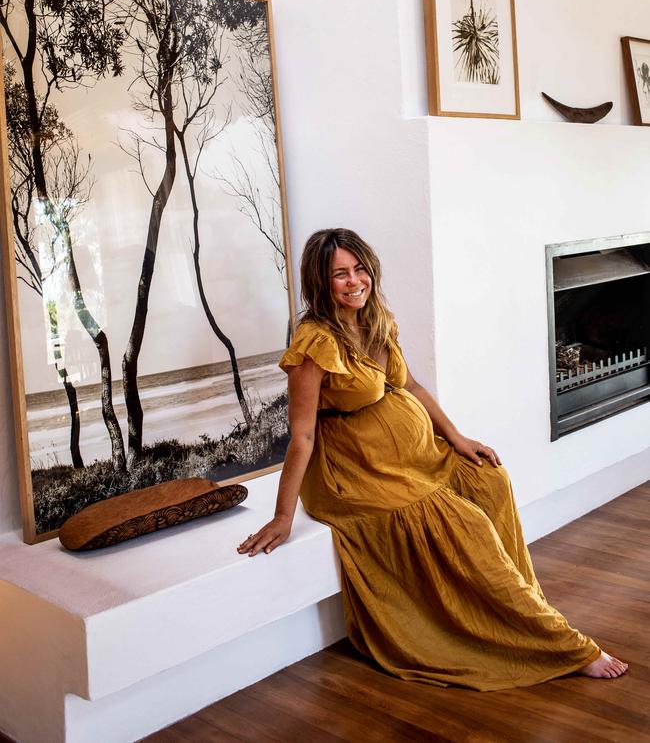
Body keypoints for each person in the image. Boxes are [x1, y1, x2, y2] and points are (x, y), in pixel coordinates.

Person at [237, 228, 628, 690]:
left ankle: (517, 608)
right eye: (340, 274)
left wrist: (457, 438)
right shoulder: (315, 342)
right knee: (464, 524)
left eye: (359, 268)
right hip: (355, 473)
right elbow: (300, 434)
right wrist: (283, 515)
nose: (354, 281)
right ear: (320, 283)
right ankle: (557, 643)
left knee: (489, 480)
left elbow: (411, 387)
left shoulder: (376, 319)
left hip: (414, 456)